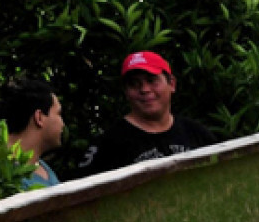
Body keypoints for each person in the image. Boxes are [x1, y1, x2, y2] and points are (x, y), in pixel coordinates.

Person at [77, 51, 217, 177]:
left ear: (172, 84)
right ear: (126, 92)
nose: (144, 89)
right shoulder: (108, 145)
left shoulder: (197, 134)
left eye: (151, 80)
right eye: (134, 84)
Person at [0, 78, 65, 189]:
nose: (62, 124)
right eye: (58, 113)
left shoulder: (42, 167)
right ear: (39, 117)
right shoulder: (0, 173)